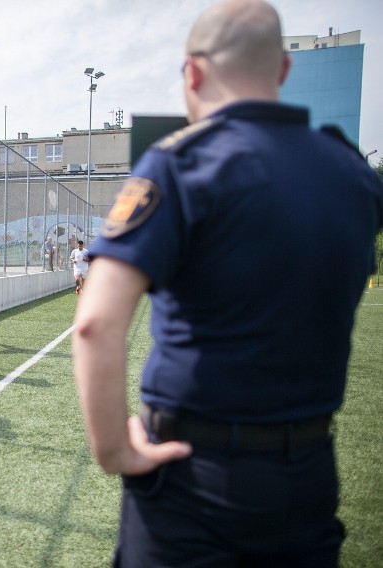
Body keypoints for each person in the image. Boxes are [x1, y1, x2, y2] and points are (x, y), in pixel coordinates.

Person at [72, 1, 383, 566]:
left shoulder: (183, 163)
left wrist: (114, 449)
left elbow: (94, 322)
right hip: (310, 472)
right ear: (283, 70)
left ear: (192, 72)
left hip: (194, 477)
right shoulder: (354, 174)